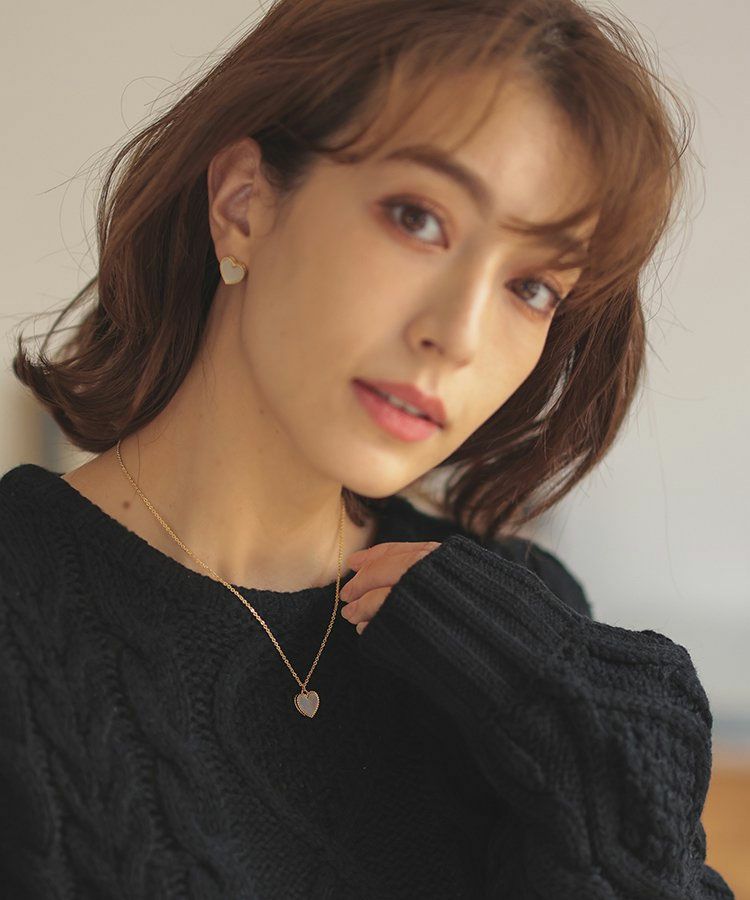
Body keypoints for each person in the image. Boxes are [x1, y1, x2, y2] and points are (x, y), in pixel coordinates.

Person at [0, 0, 735, 897]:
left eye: (533, 286)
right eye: (417, 218)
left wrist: (579, 718)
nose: (458, 335)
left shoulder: (526, 642)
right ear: (243, 203)